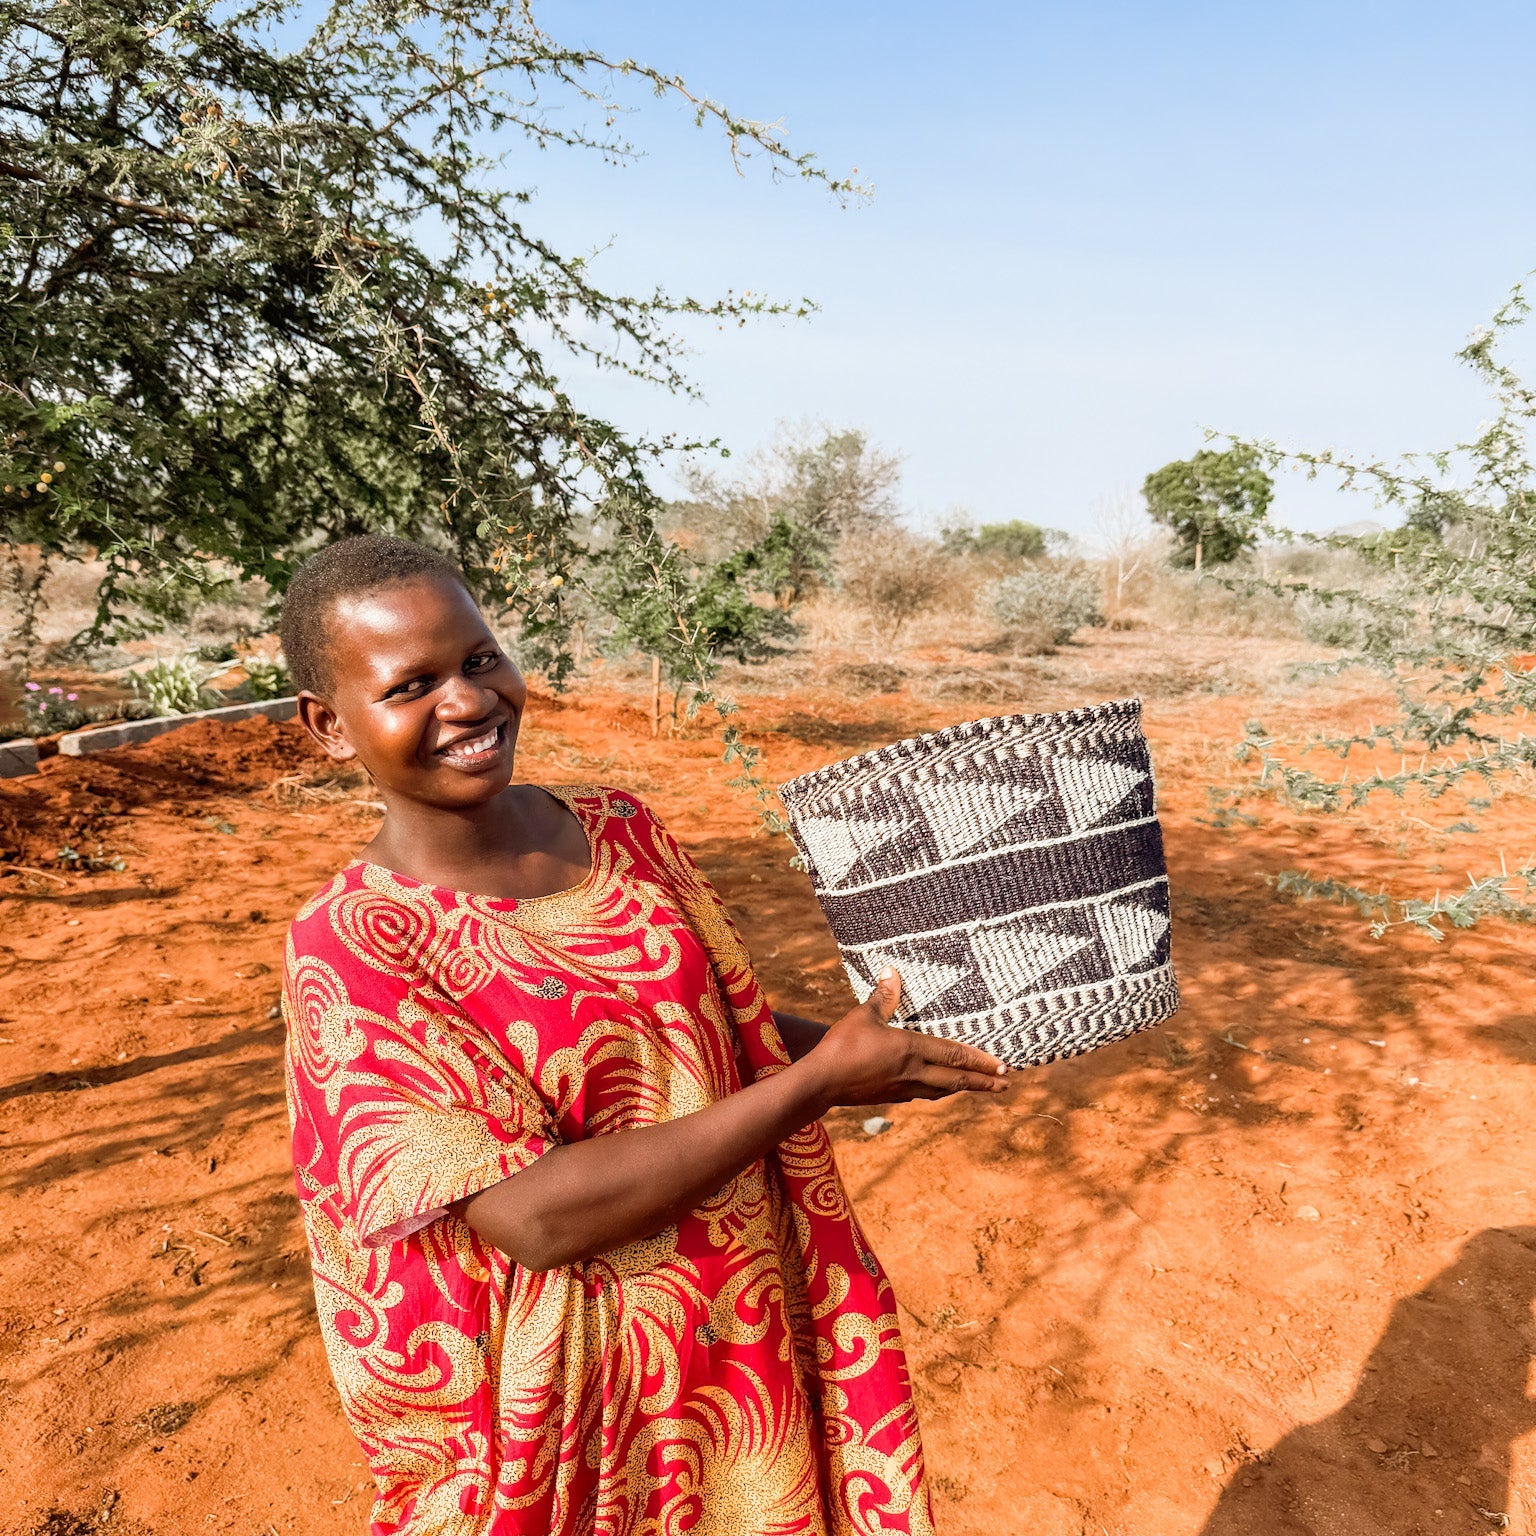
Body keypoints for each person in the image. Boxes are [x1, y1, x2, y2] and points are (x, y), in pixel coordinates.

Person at [278, 535, 1010, 1536]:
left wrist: (855, 1056)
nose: (468, 702)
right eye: (412, 684)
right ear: (329, 726)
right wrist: (814, 1085)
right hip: (588, 1385)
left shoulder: (619, 828)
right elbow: (533, 1220)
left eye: (480, 659)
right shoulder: (358, 943)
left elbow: (712, 1030)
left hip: (744, 1311)